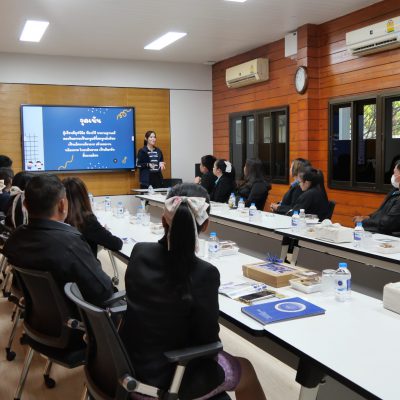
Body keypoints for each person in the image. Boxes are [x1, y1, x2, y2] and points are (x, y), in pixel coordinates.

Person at [120, 183, 266, 400]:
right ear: (205, 224)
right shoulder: (204, 273)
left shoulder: (139, 251)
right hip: (170, 381)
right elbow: (209, 343)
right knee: (246, 370)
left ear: (163, 219)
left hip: (128, 367)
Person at [3, 174, 114, 307]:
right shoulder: (71, 244)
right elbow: (104, 291)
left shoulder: (14, 238)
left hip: (37, 311)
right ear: (62, 204)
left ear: (25, 205)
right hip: (75, 314)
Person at [62, 177, 123, 257]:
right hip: (85, 263)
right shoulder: (86, 220)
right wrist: (105, 232)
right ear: (84, 196)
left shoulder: (58, 218)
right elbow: (117, 244)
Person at [353, 161, 400, 236]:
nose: (393, 176)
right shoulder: (395, 191)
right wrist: (368, 217)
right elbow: (381, 211)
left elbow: (386, 224)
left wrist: (363, 222)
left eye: (395, 173)